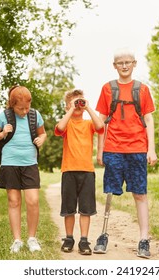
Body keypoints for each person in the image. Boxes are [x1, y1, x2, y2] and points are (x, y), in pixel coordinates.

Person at [95, 48, 158, 258]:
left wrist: (151, 149)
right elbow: (100, 121)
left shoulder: (142, 89)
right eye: (120, 63)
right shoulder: (107, 88)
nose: (124, 66)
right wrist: (100, 149)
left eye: (128, 62)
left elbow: (149, 120)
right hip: (113, 148)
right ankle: (103, 235)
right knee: (111, 192)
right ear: (114, 66)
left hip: (138, 148)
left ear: (134, 64)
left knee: (140, 193)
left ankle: (143, 239)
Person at [0, 85, 47, 253]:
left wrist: (42, 139)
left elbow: (43, 133)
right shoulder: (4, 116)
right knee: (14, 202)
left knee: (33, 200)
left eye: (27, 107)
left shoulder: (35, 115)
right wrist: (2, 133)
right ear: (12, 105)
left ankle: (32, 239)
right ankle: (17, 240)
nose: (25, 111)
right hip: (10, 163)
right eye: (21, 108)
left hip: (30, 164)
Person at [54, 89, 104, 255]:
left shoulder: (88, 124)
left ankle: (84, 240)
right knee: (69, 209)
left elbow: (100, 126)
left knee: (85, 208)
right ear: (67, 106)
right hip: (69, 171)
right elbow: (59, 127)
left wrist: (88, 107)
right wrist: (70, 109)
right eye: (75, 103)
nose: (78, 105)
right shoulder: (67, 124)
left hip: (87, 171)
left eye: (80, 102)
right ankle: (69, 238)